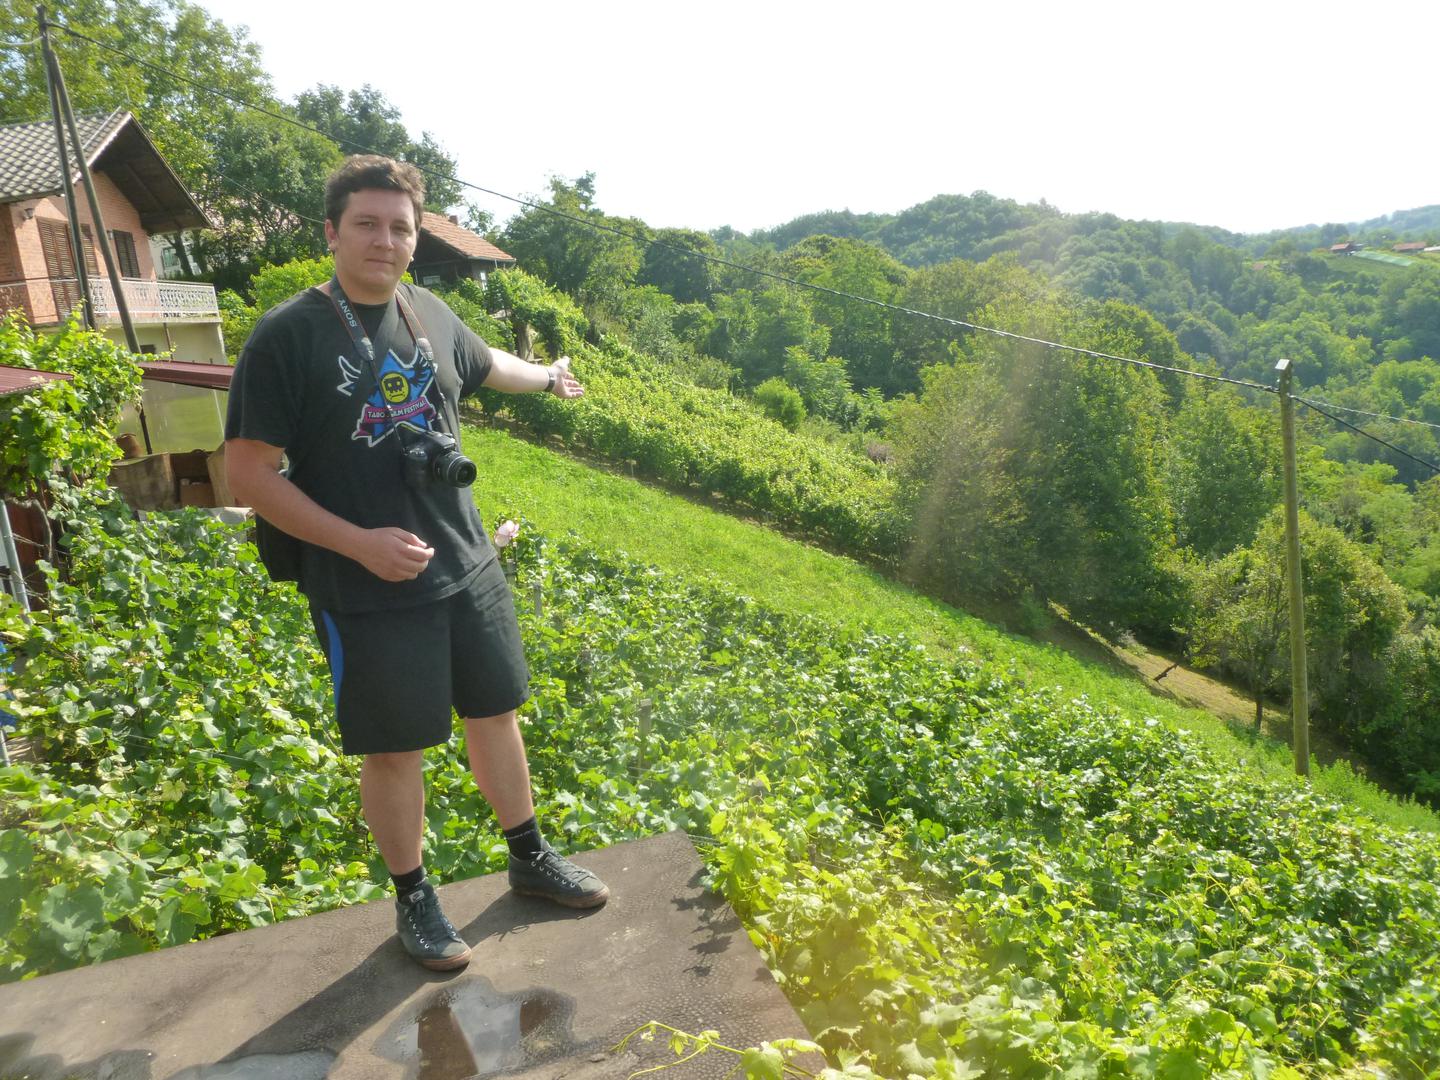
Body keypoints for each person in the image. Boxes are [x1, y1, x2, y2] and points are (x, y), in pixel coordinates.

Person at [225, 155, 607, 972]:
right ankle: (415, 897)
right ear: (331, 232)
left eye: (400, 228)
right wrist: (359, 543)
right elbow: (248, 475)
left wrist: (550, 377)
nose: (385, 240)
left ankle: (529, 856)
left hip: (466, 561)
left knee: (496, 714)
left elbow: (488, 362)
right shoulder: (287, 336)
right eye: (366, 224)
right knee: (395, 749)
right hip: (362, 583)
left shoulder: (427, 309)